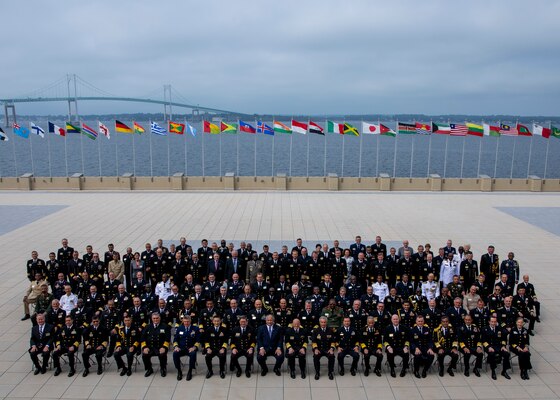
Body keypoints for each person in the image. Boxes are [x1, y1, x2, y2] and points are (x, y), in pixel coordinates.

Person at [141, 312, 171, 377]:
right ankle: (149, 369)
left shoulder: (165, 327)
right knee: (144, 355)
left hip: (160, 347)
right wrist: (144, 347)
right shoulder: (147, 327)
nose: (155, 320)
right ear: (151, 319)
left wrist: (164, 347)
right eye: (154, 318)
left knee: (162, 355)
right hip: (150, 347)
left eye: (157, 318)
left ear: (159, 318)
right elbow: (143, 338)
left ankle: (163, 368)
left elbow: (167, 338)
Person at [482, 316, 511, 380]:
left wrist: (503, 346)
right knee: (492, 354)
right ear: (489, 322)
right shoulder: (485, 329)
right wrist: (488, 347)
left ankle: (504, 371)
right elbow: (483, 341)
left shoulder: (499, 328)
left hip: (499, 346)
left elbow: (504, 339)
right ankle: (493, 370)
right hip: (490, 346)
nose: (493, 323)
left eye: (495, 322)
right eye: (492, 321)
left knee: (507, 354)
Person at [173, 315, 200, 381]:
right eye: (185, 322)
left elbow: (198, 340)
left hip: (191, 348)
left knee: (193, 354)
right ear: (182, 321)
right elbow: (175, 339)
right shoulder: (179, 328)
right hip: (181, 348)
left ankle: (190, 371)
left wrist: (194, 347)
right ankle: (179, 371)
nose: (186, 323)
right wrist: (176, 347)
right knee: (175, 354)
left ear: (190, 321)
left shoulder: (195, 329)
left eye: (188, 321)